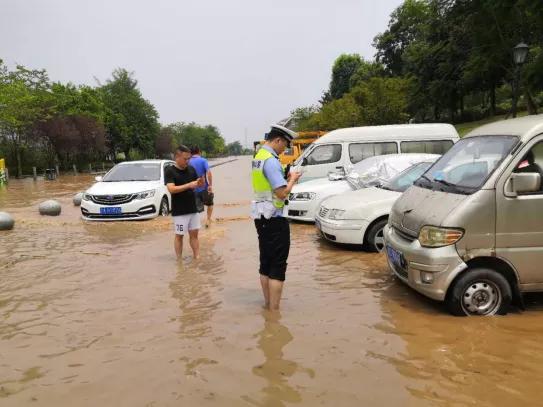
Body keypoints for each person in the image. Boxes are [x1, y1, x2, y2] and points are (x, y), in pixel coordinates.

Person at [251, 125, 302, 311]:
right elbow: (282, 193)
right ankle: (274, 312)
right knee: (278, 265)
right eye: (285, 145)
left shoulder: (259, 157)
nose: (285, 149)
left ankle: (267, 306)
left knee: (265, 262)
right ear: (278, 140)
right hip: (274, 218)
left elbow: (268, 183)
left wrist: (285, 176)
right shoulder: (271, 161)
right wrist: (293, 179)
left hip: (261, 216)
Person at [165, 145, 205, 260]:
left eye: (189, 158)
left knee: (194, 235)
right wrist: (189, 185)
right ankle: (179, 260)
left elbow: (197, 186)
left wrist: (200, 182)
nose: (187, 161)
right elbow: (171, 189)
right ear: (177, 157)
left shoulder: (191, 169)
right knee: (179, 236)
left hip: (193, 208)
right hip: (180, 211)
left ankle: (197, 257)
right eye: (185, 159)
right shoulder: (170, 171)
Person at [189, 146, 214, 227]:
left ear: (191, 153)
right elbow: (209, 173)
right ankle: (208, 220)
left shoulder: (188, 161)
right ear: (199, 152)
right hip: (204, 188)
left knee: (195, 209)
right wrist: (210, 185)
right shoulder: (203, 160)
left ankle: (195, 224)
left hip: (192, 189)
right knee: (210, 204)